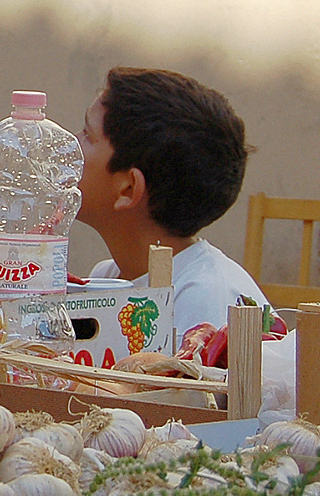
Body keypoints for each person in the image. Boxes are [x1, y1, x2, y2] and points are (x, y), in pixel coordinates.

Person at [77, 67, 269, 330]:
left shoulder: (207, 301)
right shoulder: (108, 278)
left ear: (128, 189)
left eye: (86, 136)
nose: (67, 147)